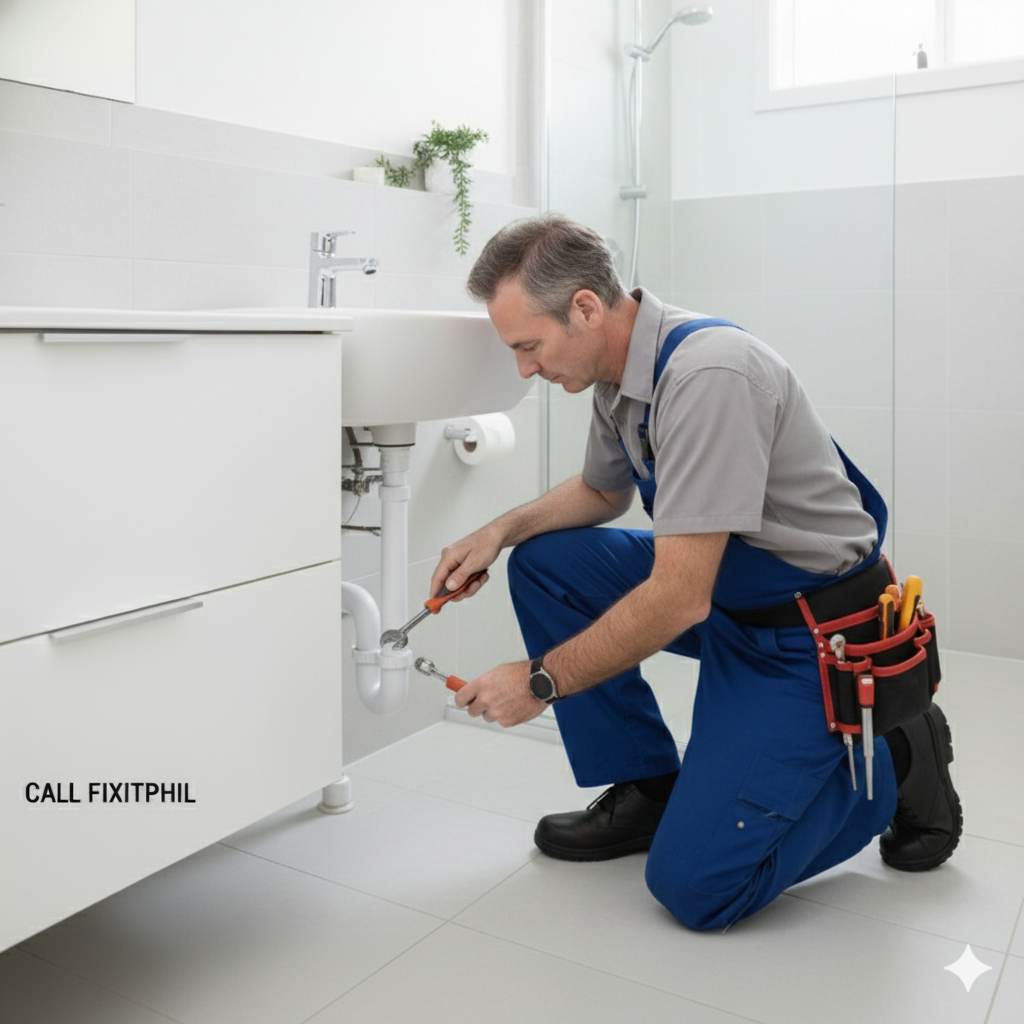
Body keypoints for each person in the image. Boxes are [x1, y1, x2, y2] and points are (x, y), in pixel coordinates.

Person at [430, 214, 961, 931]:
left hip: (806, 633)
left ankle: (891, 762)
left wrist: (539, 681)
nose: (525, 369)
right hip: (730, 600)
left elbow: (678, 598)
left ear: (585, 308)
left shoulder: (708, 375)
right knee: (547, 564)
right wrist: (497, 532)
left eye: (529, 347)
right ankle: (651, 789)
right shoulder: (618, 373)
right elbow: (603, 492)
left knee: (697, 888)